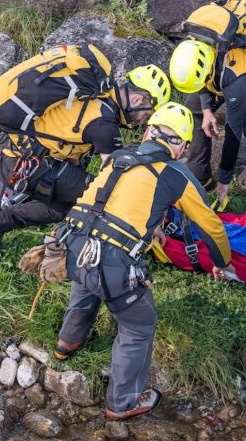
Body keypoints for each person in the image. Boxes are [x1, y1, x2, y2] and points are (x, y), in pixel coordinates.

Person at [53, 102, 232, 420]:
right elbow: (210, 225)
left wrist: (154, 226)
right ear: (181, 147)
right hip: (113, 264)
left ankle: (68, 342)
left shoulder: (119, 158)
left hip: (73, 243)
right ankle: (122, 404)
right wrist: (222, 260)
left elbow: (112, 203)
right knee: (139, 325)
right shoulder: (175, 172)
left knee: (87, 280)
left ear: (149, 131)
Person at [0, 60, 171, 247]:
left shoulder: (96, 94)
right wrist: (149, 225)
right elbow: (113, 183)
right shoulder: (103, 123)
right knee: (96, 197)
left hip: (12, 153)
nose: (141, 122)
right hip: (24, 165)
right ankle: (78, 250)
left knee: (69, 203)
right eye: (146, 115)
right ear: (137, 99)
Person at [169, 37, 246, 212]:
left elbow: (233, 131)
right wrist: (205, 109)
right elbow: (201, 82)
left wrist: (224, 180)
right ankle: (200, 175)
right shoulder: (199, 45)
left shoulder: (233, 78)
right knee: (194, 104)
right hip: (230, 69)